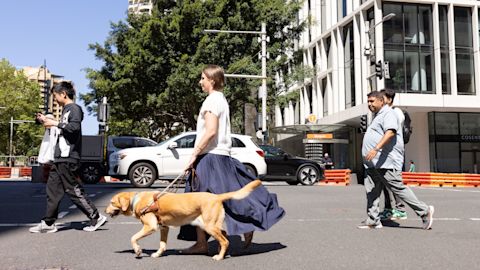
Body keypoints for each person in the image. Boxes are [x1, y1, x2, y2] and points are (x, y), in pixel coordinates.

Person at [178, 65, 285, 254]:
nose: (200, 82)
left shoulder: (211, 101)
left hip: (210, 158)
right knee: (226, 195)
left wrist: (194, 154)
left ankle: (208, 241)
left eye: (203, 78)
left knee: (197, 200)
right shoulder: (221, 100)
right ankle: (204, 241)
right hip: (219, 156)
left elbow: (211, 131)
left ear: (212, 80)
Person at [30, 81, 107, 233]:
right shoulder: (66, 110)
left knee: (73, 189)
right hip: (59, 157)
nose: (55, 99)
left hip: (68, 156)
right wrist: (44, 121)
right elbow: (60, 127)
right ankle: (48, 223)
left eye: (55, 96)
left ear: (63, 94)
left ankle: (96, 217)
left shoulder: (74, 109)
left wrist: (55, 123)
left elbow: (74, 128)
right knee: (52, 190)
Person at [358, 90, 434, 230]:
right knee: (372, 191)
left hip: (385, 161)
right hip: (373, 163)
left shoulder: (389, 113)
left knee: (398, 188)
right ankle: (373, 220)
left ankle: (424, 211)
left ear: (382, 101)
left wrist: (375, 149)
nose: (369, 104)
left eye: (372, 101)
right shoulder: (378, 115)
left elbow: (391, 132)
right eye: (368, 101)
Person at [378, 89, 407, 221]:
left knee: (395, 182)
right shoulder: (384, 113)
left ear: (389, 100)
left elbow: (390, 130)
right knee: (385, 182)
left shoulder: (396, 112)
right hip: (385, 154)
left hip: (394, 154)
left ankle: (400, 209)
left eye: (382, 98)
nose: (380, 101)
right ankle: (389, 209)